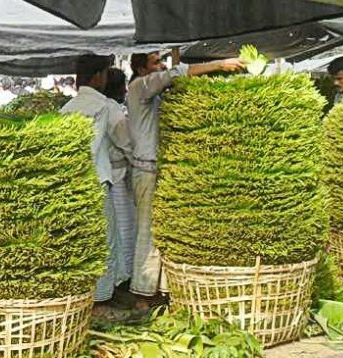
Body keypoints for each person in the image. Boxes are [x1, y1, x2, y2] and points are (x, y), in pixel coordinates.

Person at [126, 51, 244, 302]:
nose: (161, 66)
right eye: (155, 62)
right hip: (146, 171)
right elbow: (175, 73)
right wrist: (219, 64)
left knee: (165, 229)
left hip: (158, 169)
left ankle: (162, 290)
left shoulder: (152, 93)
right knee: (147, 232)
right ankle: (142, 295)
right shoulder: (140, 86)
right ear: (141, 69)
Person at [60, 55, 137, 305]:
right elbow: (124, 140)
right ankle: (103, 295)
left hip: (72, 183)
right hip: (97, 181)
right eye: (104, 73)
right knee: (106, 238)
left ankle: (82, 294)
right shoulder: (106, 106)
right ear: (97, 77)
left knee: (81, 239)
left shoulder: (67, 109)